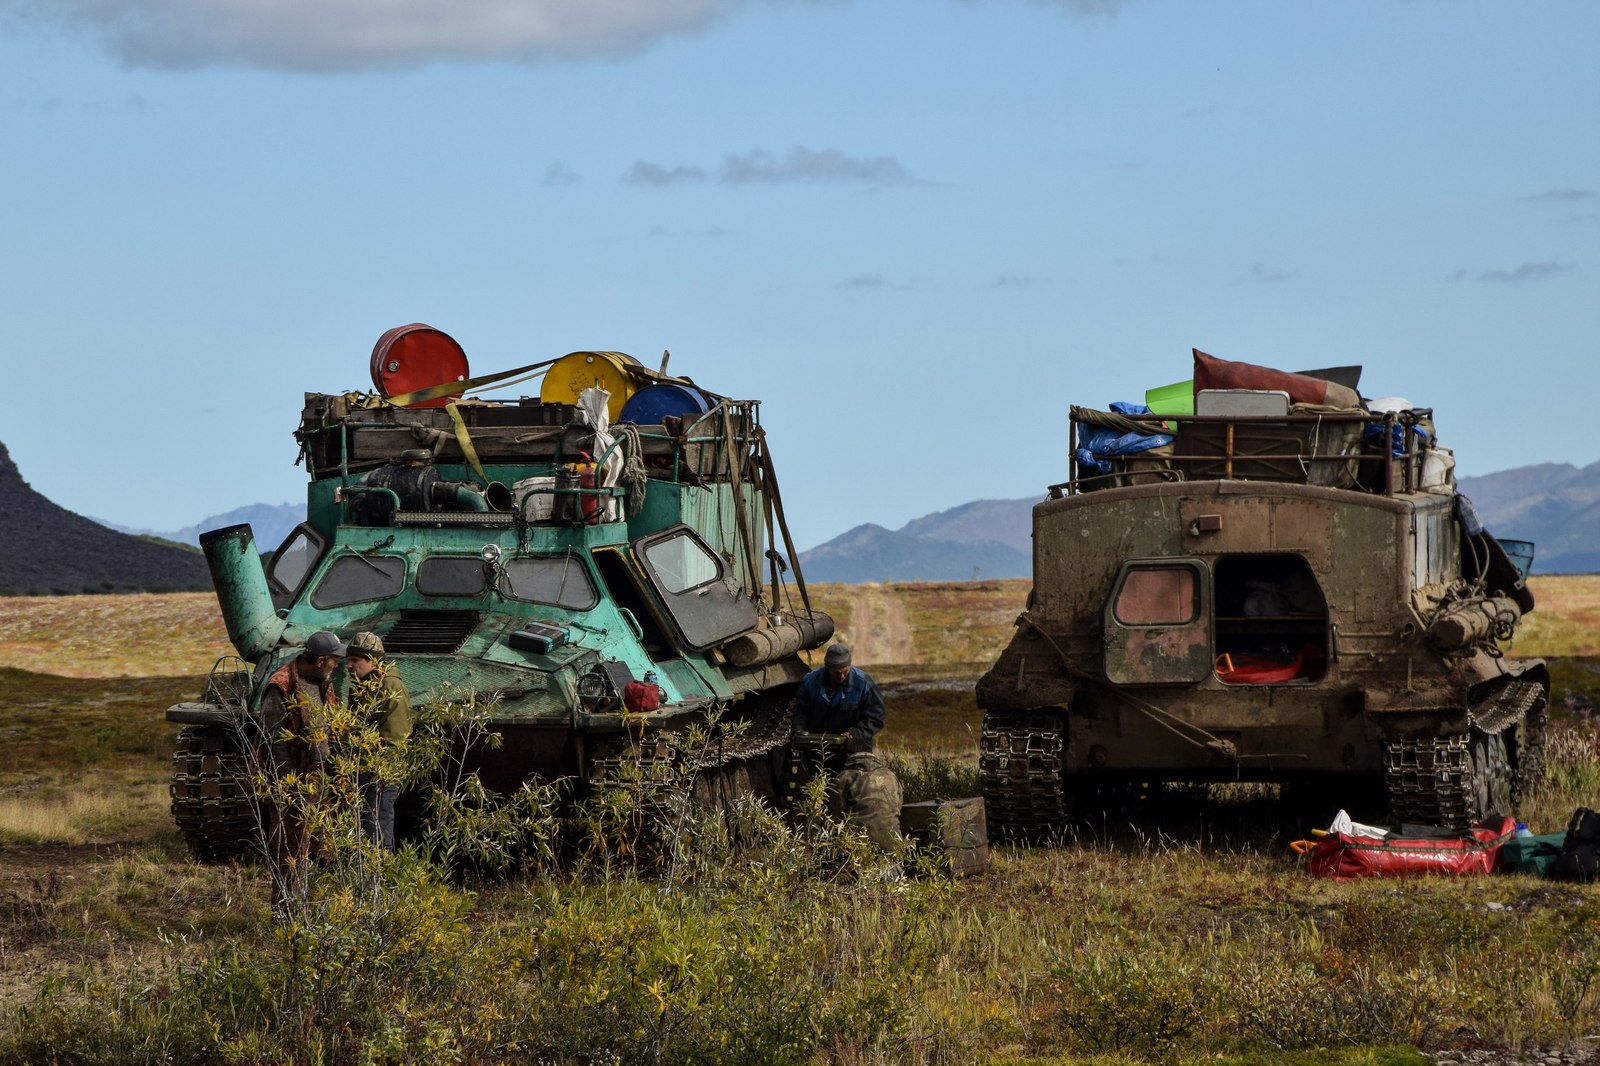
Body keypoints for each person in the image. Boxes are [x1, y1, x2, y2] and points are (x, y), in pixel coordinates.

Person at [258, 629, 344, 906]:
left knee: (324, 850)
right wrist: (289, 789)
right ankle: (286, 911)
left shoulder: (322, 681)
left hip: (319, 784)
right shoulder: (281, 687)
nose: (337, 664)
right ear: (320, 660)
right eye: (334, 659)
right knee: (290, 852)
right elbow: (274, 744)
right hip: (293, 786)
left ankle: (317, 908)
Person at [791, 643, 901, 851]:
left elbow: (876, 717)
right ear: (827, 668)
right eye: (836, 673)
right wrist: (798, 730)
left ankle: (859, 838)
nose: (841, 676)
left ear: (849, 667)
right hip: (818, 748)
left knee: (859, 794)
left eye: (844, 672)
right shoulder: (810, 682)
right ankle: (822, 840)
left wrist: (854, 733)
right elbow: (800, 712)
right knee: (821, 794)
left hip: (854, 750)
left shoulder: (863, 683)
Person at [346, 631, 413, 852]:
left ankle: (381, 876)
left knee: (377, 827)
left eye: (355, 660)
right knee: (367, 827)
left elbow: (396, 737)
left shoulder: (390, 687)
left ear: (372, 661)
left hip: (380, 772)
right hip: (364, 770)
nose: (349, 666)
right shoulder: (363, 686)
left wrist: (374, 770)